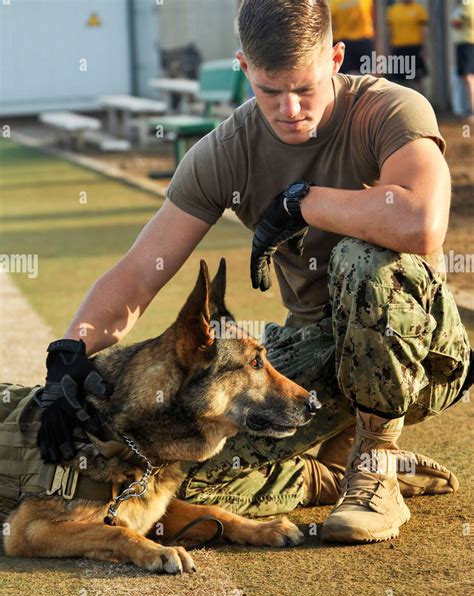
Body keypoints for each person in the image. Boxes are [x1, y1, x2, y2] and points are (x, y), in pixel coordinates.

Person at [37, 0, 472, 544]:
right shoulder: (226, 152)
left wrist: (302, 203)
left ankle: (378, 460)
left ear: (336, 58)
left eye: (305, 88)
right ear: (244, 68)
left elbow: (420, 223)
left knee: (364, 256)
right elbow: (140, 272)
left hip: (419, 352)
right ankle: (329, 471)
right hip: (318, 351)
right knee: (175, 456)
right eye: (270, 91)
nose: (289, 108)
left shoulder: (389, 109)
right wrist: (68, 357)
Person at [386, 0, 429, 93]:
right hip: (398, 48)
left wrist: (424, 48)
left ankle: (423, 104)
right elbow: (390, 31)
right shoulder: (393, 10)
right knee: (399, 80)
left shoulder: (418, 9)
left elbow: (423, 30)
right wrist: (388, 49)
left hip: (414, 48)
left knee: (417, 79)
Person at [329, 0, 375, 74]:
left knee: (347, 75)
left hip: (350, 41)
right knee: (368, 73)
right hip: (357, 40)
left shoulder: (333, 3)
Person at [450, 0, 474, 117]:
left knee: (468, 76)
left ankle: (472, 110)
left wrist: (453, 21)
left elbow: (458, 22)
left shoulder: (467, 2)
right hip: (467, 43)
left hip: (467, 43)